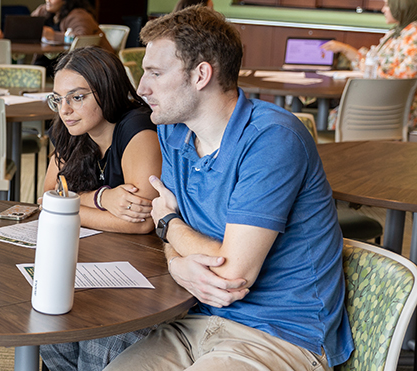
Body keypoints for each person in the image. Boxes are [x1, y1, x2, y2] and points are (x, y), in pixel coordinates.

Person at [103, 6, 353, 370]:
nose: (142, 88)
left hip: (281, 335)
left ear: (201, 74)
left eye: (155, 73)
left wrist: (168, 224)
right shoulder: (173, 131)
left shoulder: (272, 138)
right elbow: (173, 236)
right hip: (194, 323)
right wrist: (176, 264)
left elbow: (232, 274)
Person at [37, 46, 160, 371]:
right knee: (51, 331)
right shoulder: (71, 127)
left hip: (143, 272)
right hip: (95, 259)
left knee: (97, 348)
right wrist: (103, 199)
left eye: (77, 97)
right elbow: (48, 198)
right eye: (58, 99)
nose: (65, 109)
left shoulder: (137, 127)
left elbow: (141, 222)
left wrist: (69, 205)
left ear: (106, 90)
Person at [322, 0, 417, 129]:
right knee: (337, 114)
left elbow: (407, 75)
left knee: (339, 115)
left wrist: (370, 69)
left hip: (391, 111)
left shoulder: (413, 36)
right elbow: (372, 61)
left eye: (387, 5)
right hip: (383, 104)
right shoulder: (398, 33)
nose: (383, 9)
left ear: (401, 8)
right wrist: (345, 49)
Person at [30, 0, 114, 75]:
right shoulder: (45, 11)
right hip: (54, 59)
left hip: (87, 66)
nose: (48, 0)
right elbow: (28, 24)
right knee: (35, 70)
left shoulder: (79, 15)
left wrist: (54, 36)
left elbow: (82, 37)